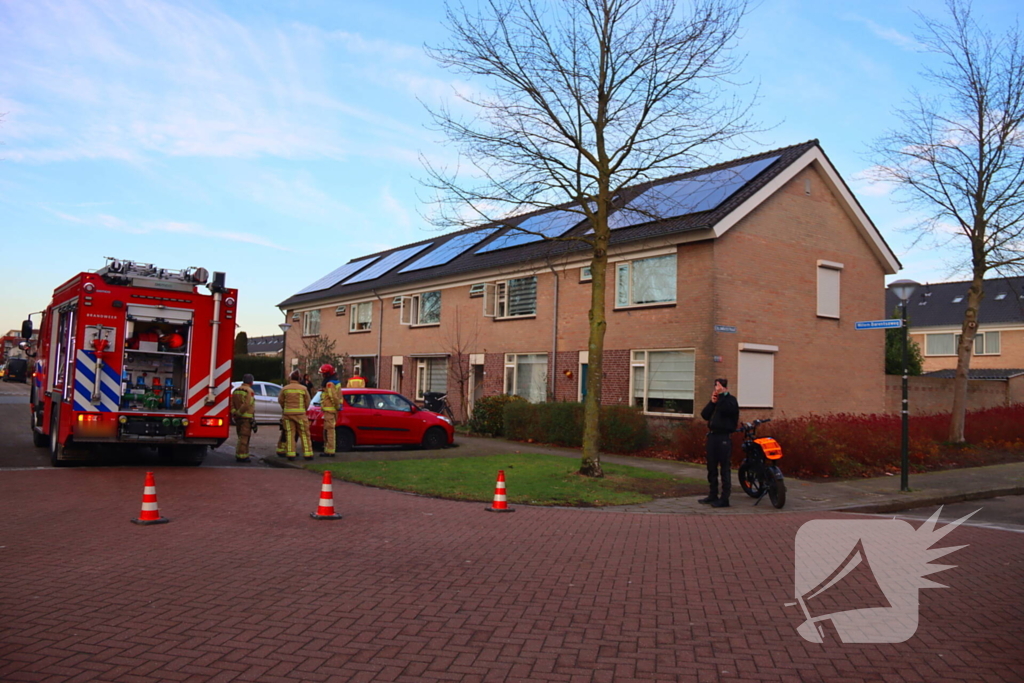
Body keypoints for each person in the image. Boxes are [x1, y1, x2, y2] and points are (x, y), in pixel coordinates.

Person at [699, 378, 739, 508]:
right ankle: (712, 494)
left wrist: (721, 397)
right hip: (713, 436)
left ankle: (724, 498)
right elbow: (705, 415)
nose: (717, 390)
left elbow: (726, 411)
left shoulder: (731, 401)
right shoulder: (717, 402)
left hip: (723, 438)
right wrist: (712, 403)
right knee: (711, 467)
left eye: (719, 387)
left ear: (724, 388)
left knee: (724, 468)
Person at [277, 370, 314, 461]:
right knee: (304, 434)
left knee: (290, 434)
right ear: (299, 378)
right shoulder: (303, 389)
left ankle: (291, 454)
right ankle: (308, 454)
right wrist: (303, 409)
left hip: (288, 415)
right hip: (300, 415)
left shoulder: (285, 389)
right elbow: (307, 401)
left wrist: (285, 408)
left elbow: (280, 400)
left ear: (290, 378)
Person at [230, 374, 257, 463]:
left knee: (240, 436)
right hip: (246, 417)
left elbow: (231, 403)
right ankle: (242, 456)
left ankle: (243, 454)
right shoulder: (250, 391)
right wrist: (239, 413)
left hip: (238, 418)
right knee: (244, 437)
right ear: (251, 382)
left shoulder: (236, 390)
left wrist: (234, 412)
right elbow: (247, 404)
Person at [319, 363, 342, 456]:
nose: (322, 375)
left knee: (329, 431)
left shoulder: (329, 383)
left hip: (330, 410)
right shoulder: (335, 381)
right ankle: (328, 449)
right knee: (328, 430)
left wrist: (337, 407)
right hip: (332, 410)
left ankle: (330, 451)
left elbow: (333, 397)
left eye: (323, 373)